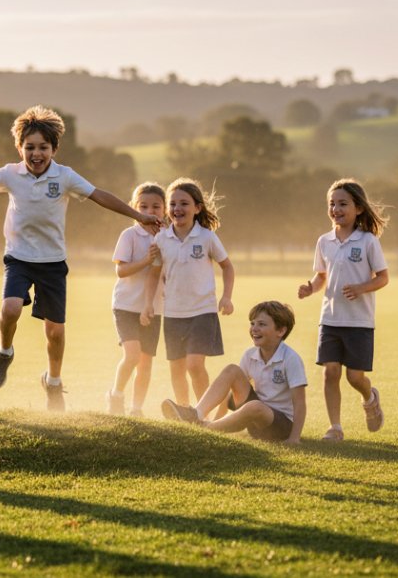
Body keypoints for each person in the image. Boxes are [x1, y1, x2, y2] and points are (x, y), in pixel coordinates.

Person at [0, 105, 161, 410]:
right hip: (18, 257)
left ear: (54, 149)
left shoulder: (65, 176)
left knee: (55, 332)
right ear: (19, 148)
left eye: (43, 147)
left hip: (52, 264)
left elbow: (99, 195)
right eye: (29, 147)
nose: (36, 153)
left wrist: (138, 214)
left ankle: (54, 382)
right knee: (10, 309)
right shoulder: (10, 174)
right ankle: (4, 353)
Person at [297, 178, 389, 443]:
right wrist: (309, 288)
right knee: (331, 372)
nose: (336, 209)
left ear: (358, 208)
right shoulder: (324, 241)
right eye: (332, 204)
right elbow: (320, 276)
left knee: (355, 376)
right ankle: (335, 427)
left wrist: (362, 288)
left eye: (342, 204)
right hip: (330, 319)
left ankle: (370, 399)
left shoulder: (368, 241)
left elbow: (383, 277)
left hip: (360, 321)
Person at [143, 178, 234, 409]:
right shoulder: (161, 239)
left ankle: (203, 412)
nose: (177, 209)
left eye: (184, 203)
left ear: (197, 208)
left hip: (202, 311)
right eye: (172, 204)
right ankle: (184, 412)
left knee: (194, 365)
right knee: (176, 368)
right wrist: (148, 304)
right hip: (173, 312)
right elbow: (154, 274)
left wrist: (226, 297)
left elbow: (227, 267)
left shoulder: (207, 237)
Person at [161, 301, 307, 445]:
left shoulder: (291, 359)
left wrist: (294, 438)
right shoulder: (250, 355)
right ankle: (196, 415)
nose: (254, 328)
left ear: (281, 331)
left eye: (261, 324)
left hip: (280, 426)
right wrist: (218, 418)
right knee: (232, 370)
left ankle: (205, 428)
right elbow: (233, 390)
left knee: (255, 406)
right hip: (254, 421)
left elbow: (300, 403)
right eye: (252, 323)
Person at [107, 182, 166, 416]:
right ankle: (116, 395)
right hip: (126, 305)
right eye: (143, 206)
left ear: (164, 210)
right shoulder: (130, 235)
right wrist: (146, 259)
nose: (150, 211)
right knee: (131, 356)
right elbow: (121, 271)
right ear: (134, 208)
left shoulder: (168, 237)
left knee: (146, 361)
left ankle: (136, 409)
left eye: (156, 206)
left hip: (154, 307)